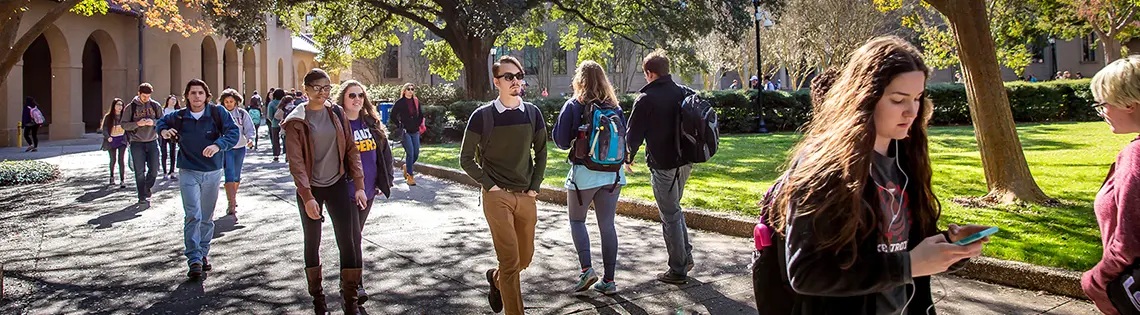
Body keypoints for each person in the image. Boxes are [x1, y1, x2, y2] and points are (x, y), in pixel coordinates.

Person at [751, 36, 988, 315]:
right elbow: (806, 272)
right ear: (865, 97)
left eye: (917, 98)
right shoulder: (825, 167)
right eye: (898, 99)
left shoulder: (907, 157)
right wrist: (908, 265)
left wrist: (950, 247)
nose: (912, 111)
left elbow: (905, 247)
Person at [459, 55, 547, 315]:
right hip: (497, 196)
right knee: (510, 261)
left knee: (524, 258)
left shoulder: (532, 113)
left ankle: (496, 280)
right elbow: (465, 158)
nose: (516, 81)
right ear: (496, 82)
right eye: (509, 77)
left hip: (526, 195)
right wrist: (490, 186)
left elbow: (542, 152)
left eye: (519, 76)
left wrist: (534, 187)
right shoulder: (482, 116)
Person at [284, 69, 369, 315]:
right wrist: (307, 196)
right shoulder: (296, 121)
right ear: (306, 89)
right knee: (313, 242)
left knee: (349, 242)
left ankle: (350, 299)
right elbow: (296, 163)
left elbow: (351, 149)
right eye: (317, 88)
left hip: (337, 184)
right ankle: (318, 299)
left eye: (327, 88)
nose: (322, 93)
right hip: (311, 188)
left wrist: (359, 184)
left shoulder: (337, 113)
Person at [552, 60, 627, 295]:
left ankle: (586, 270)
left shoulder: (574, 105)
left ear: (579, 80)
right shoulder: (615, 107)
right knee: (607, 225)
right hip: (613, 175)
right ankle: (609, 280)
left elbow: (561, 141)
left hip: (584, 174)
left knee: (577, 221)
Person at [156, 79, 240, 280]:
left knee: (206, 216)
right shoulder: (180, 116)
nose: (197, 96)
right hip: (188, 170)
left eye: (200, 93)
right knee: (193, 214)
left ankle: (203, 253)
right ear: (187, 96)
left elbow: (233, 132)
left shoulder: (217, 113)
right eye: (193, 93)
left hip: (212, 171)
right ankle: (193, 258)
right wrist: (164, 131)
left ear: (206, 96)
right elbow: (161, 122)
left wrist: (218, 145)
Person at [626, 49, 696, 285]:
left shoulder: (646, 99)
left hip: (663, 164)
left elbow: (633, 135)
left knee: (670, 214)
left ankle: (678, 269)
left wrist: (628, 157)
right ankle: (685, 257)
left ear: (649, 73)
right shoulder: (683, 92)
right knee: (674, 210)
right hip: (685, 161)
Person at [1083, 55, 1140, 315]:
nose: (1102, 113)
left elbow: (1130, 240)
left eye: (1102, 104)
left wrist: (1095, 281)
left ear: (1128, 103)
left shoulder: (1136, 155)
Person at [338, 80, 396, 306]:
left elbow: (384, 154)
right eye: (352, 95)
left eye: (360, 95)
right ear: (343, 98)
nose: (357, 99)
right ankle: (355, 285)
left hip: (370, 189)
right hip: (346, 190)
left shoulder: (370, 122)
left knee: (354, 236)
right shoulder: (337, 123)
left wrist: (384, 181)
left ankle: (347, 279)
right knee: (353, 238)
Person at [121, 83, 165, 205]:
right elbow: (123, 125)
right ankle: (141, 196)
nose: (146, 98)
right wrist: (137, 124)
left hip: (152, 141)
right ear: (139, 94)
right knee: (139, 171)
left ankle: (147, 187)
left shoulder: (155, 105)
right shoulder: (131, 107)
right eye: (144, 96)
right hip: (137, 142)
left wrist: (153, 122)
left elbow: (163, 121)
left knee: (154, 169)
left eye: (148, 96)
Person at [219, 88, 255, 219]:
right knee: (229, 172)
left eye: (231, 101)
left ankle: (233, 196)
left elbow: (249, 128)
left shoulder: (242, 113)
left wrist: (250, 139)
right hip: (226, 147)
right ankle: (231, 203)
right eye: (226, 102)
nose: (229, 104)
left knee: (237, 174)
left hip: (240, 147)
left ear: (236, 102)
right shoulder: (220, 114)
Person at [391, 83, 425, 186]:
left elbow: (421, 114)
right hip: (405, 131)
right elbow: (393, 115)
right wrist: (400, 125)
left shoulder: (416, 101)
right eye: (408, 89)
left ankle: (407, 166)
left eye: (412, 89)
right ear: (404, 91)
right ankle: (410, 176)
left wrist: (418, 124)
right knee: (410, 153)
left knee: (416, 153)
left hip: (415, 130)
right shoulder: (400, 102)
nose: (410, 91)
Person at [101, 98, 129, 188]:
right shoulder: (108, 117)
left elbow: (128, 128)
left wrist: (128, 140)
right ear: (114, 106)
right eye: (118, 105)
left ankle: (122, 180)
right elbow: (104, 128)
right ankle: (112, 177)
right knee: (113, 160)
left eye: (121, 105)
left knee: (121, 160)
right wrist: (108, 137)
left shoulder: (124, 116)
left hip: (122, 140)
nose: (119, 107)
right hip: (111, 140)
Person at [160, 95, 181, 180]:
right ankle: (165, 172)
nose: (173, 101)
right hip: (164, 133)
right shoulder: (163, 111)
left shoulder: (177, 111)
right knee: (164, 152)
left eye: (175, 100)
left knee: (173, 153)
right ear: (168, 101)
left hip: (173, 133)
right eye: (172, 99)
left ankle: (172, 172)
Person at [268, 89, 287, 162]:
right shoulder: (285, 102)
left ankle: (276, 154)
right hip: (285, 123)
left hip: (275, 124)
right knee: (285, 139)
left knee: (275, 139)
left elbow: (269, 115)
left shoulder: (272, 103)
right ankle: (286, 153)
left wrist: (273, 120)